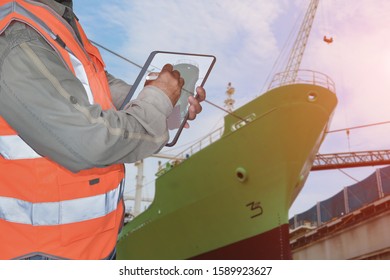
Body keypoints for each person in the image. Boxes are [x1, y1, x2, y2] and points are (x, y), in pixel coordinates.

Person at [0, 0, 205, 259]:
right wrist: (157, 100)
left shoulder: (58, 22)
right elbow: (90, 141)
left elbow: (104, 91)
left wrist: (167, 108)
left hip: (93, 246)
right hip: (38, 254)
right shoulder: (17, 35)